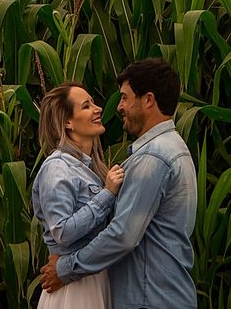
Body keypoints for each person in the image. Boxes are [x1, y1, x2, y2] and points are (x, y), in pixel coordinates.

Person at [40, 58, 198, 308]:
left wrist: (65, 268)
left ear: (148, 100)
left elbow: (123, 235)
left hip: (148, 299)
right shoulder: (173, 148)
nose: (118, 107)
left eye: (124, 98)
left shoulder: (152, 158)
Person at [32, 83, 126, 309]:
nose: (98, 109)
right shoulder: (57, 167)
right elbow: (62, 232)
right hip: (74, 289)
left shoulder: (92, 168)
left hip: (92, 278)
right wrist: (107, 194)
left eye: (93, 102)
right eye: (86, 106)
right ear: (67, 122)